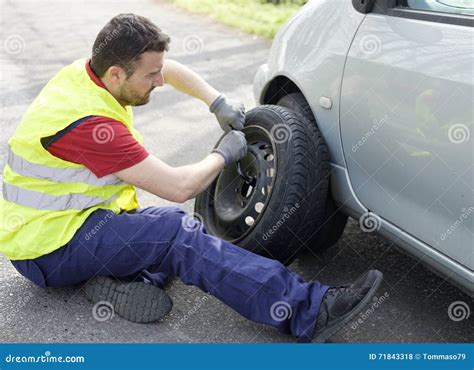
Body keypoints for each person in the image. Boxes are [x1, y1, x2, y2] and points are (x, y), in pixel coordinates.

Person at [0, 13, 383, 343]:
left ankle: (119, 279)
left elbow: (166, 68)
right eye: (150, 76)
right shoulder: (90, 127)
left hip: (69, 225)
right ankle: (310, 311)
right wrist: (223, 154)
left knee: (175, 234)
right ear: (117, 72)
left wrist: (215, 101)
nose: (159, 82)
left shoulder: (90, 72)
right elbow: (179, 186)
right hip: (49, 248)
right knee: (176, 233)